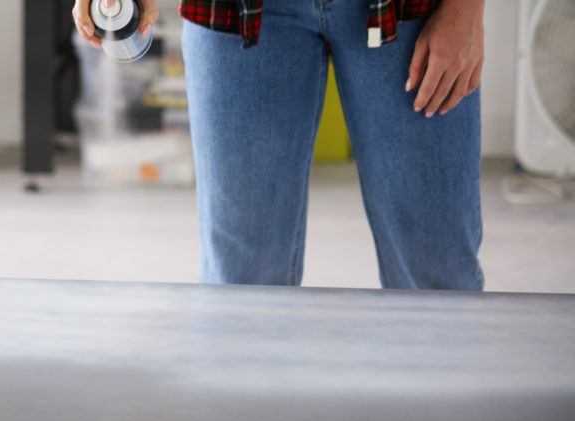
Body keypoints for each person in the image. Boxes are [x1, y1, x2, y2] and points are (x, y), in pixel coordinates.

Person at [73, 0, 485, 290]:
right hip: (237, 8)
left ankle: (445, 416)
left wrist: (465, 8)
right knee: (241, 281)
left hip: (407, 9)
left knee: (437, 274)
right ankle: (246, 416)